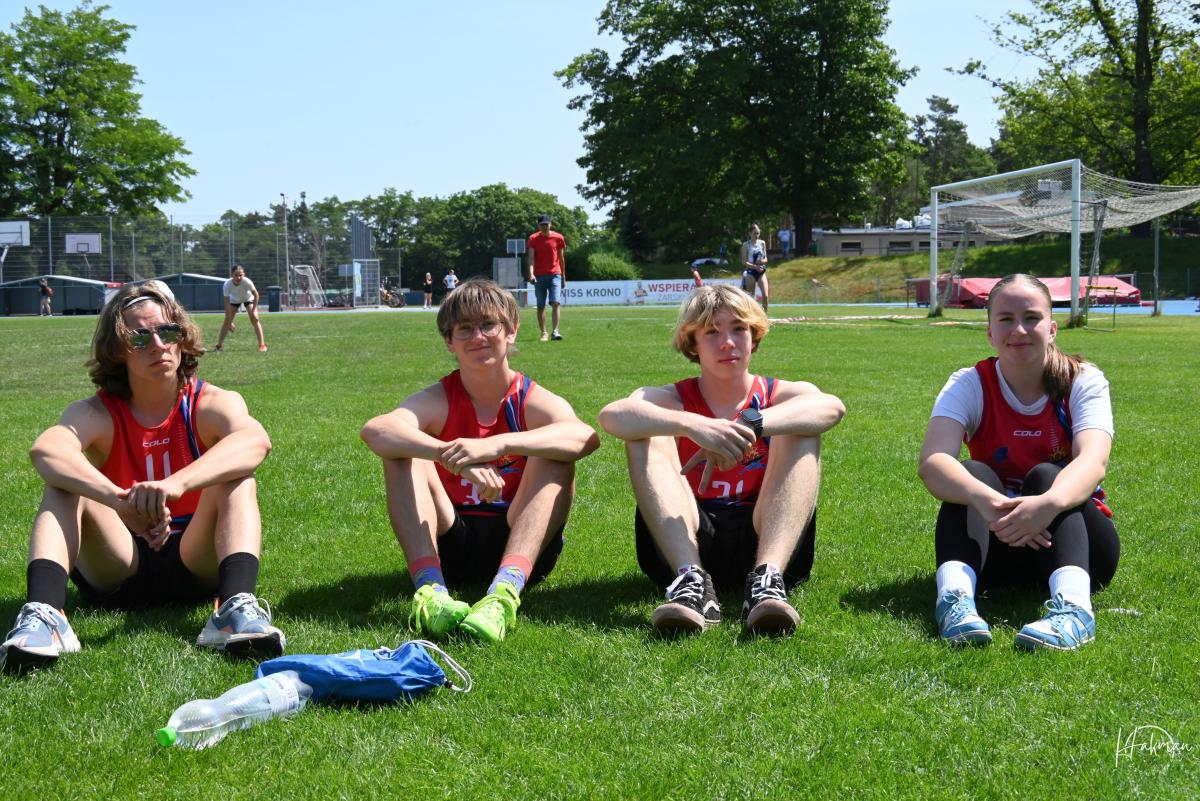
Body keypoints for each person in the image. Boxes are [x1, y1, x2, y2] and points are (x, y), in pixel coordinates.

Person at [1, 281, 284, 673]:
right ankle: (44, 616)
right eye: (140, 337)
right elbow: (47, 450)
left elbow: (255, 441)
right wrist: (119, 500)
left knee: (238, 478)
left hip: (195, 558)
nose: (158, 344)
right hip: (120, 560)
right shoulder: (98, 412)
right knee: (64, 485)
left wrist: (175, 485)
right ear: (118, 350)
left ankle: (234, 609)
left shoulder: (212, 402)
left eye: (168, 331)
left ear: (182, 338)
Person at [361, 278, 599, 643]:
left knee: (555, 455)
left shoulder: (530, 399)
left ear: (511, 330)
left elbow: (585, 437)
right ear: (449, 341)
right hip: (451, 545)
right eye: (465, 329)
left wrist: (497, 445)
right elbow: (377, 430)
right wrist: (450, 456)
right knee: (401, 452)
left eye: (489, 325)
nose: (478, 337)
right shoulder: (440, 398)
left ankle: (504, 595)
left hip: (521, 543)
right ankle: (431, 593)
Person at [599, 284, 845, 636]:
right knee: (646, 431)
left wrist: (749, 424)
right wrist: (693, 425)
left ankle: (767, 580)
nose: (727, 342)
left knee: (801, 429)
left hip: (767, 538)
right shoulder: (674, 398)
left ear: (754, 336)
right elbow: (613, 415)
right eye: (712, 332)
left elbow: (831, 407)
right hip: (687, 539)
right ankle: (691, 581)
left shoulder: (777, 394)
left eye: (739, 329)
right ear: (692, 344)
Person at [918, 274, 1118, 651]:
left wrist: (1047, 505)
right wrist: (989, 502)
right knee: (970, 475)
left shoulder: (1083, 381)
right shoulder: (969, 383)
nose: (1019, 330)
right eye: (1006, 319)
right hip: (997, 545)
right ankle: (955, 603)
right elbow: (933, 461)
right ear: (990, 332)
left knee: (1047, 476)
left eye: (1031, 318)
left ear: (1052, 329)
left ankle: (1075, 610)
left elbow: (1094, 461)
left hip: (1083, 550)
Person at [527, 213, 567, 341]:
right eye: (542, 225)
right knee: (540, 306)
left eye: (546, 224)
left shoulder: (558, 238)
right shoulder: (533, 238)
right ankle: (544, 332)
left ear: (550, 224)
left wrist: (563, 277)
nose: (544, 227)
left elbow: (561, 258)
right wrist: (531, 274)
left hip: (555, 274)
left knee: (556, 302)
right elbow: (531, 259)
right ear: (538, 226)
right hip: (539, 276)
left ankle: (555, 331)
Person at [214, 264, 267, 353]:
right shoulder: (227, 285)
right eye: (236, 275)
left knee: (254, 319)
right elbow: (227, 303)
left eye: (240, 275)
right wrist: (229, 320)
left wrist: (254, 310)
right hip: (234, 301)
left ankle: (262, 345)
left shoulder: (247, 282)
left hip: (248, 299)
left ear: (244, 274)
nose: (238, 277)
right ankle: (218, 346)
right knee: (226, 322)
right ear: (232, 275)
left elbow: (256, 295)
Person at [740, 223, 770, 312]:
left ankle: (764, 315)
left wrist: (761, 261)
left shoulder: (762, 243)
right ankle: (752, 316)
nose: (756, 235)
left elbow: (766, 258)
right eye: (754, 233)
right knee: (751, 297)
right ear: (750, 233)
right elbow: (744, 262)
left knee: (765, 295)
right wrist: (755, 267)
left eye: (758, 233)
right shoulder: (746, 245)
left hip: (761, 271)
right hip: (750, 271)